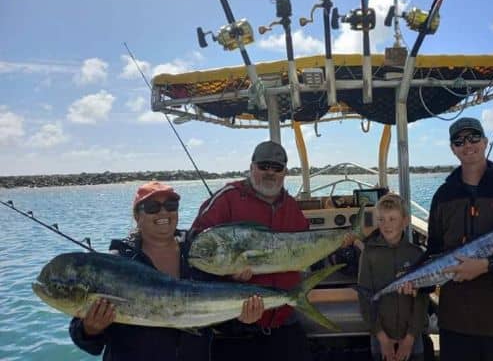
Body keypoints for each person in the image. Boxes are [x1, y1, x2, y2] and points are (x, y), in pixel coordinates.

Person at [69, 181, 263, 360]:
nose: (163, 213)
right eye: (152, 208)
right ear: (137, 216)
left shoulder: (201, 255)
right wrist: (90, 329)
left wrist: (244, 318)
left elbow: (222, 322)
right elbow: (85, 341)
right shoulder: (116, 264)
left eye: (171, 206)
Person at [411, 117, 493, 360]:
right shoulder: (443, 195)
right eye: (459, 141)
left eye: (473, 137)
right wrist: (412, 280)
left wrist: (487, 265)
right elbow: (434, 251)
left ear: (485, 141)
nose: (467, 144)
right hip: (455, 321)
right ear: (452, 149)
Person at [191, 141, 317, 361]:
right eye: (263, 166)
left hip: (284, 320)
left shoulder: (291, 205)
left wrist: (347, 240)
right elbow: (195, 251)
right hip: (237, 328)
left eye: (276, 168)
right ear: (251, 168)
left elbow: (306, 248)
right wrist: (229, 274)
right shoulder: (227, 197)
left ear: (285, 172)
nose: (270, 173)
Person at [358, 193, 428, 361]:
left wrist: (410, 338)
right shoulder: (368, 253)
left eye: (392, 219)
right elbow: (364, 296)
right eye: (381, 219)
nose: (386, 225)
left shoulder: (416, 254)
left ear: (405, 221)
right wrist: (382, 338)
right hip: (380, 337)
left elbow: (422, 299)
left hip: (412, 338)